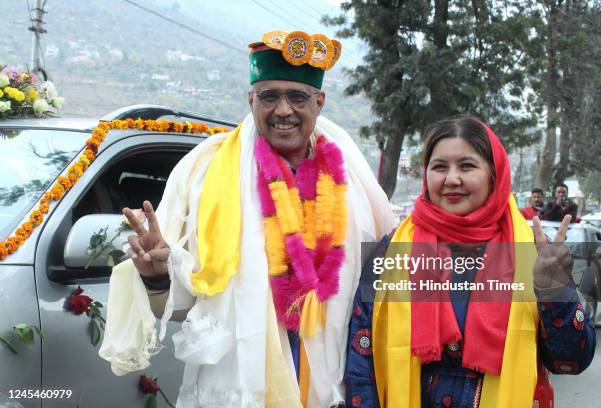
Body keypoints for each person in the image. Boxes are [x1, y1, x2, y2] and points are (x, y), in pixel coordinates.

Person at [99, 30, 395, 408]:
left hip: (335, 381)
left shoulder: (354, 182)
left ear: (319, 102)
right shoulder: (204, 174)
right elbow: (186, 300)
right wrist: (158, 274)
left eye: (298, 97)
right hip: (241, 384)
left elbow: (383, 288)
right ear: (251, 99)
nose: (283, 110)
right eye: (270, 96)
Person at [345, 115, 595, 407]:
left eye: (466, 166)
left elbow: (572, 360)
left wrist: (555, 293)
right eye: (439, 167)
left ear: (494, 174)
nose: (451, 179)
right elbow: (361, 362)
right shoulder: (392, 251)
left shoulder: (534, 254)